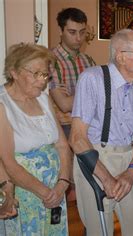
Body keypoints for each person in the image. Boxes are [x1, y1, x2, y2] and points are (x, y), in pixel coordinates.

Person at [69, 29, 133, 235]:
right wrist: (106, 179)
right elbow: (77, 139)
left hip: (129, 158)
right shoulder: (92, 79)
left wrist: (132, 171)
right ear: (121, 56)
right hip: (95, 159)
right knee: (100, 230)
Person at [0, 43, 72, 235]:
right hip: (26, 194)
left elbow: (62, 145)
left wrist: (63, 182)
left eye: (45, 74)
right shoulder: (2, 104)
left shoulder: (44, 99)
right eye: (36, 74)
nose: (43, 81)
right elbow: (8, 162)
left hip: (54, 191)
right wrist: (45, 193)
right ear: (14, 72)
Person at [49, 7, 95, 138]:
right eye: (72, 32)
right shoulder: (49, 60)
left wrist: (72, 97)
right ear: (60, 31)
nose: (79, 38)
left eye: (82, 32)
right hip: (62, 128)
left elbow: (101, 95)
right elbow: (64, 105)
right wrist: (91, 95)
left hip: (88, 124)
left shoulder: (89, 61)